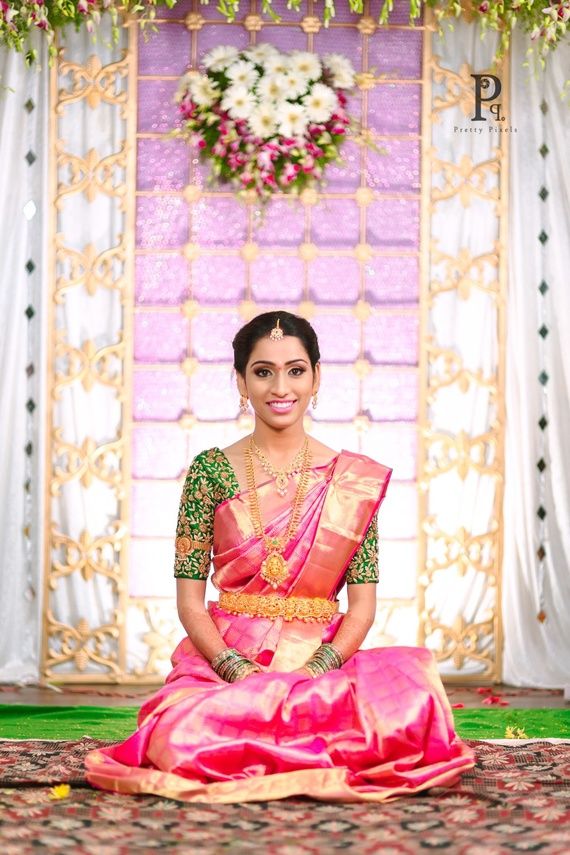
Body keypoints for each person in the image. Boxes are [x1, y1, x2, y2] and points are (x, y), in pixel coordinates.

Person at [85, 310, 474, 803]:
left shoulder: (350, 481)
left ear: (316, 378)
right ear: (242, 382)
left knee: (406, 713)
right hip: (225, 658)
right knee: (178, 735)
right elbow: (190, 601)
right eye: (262, 371)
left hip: (320, 661)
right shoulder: (210, 472)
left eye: (295, 369)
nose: (280, 386)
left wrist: (313, 671)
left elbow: (362, 608)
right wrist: (236, 669)